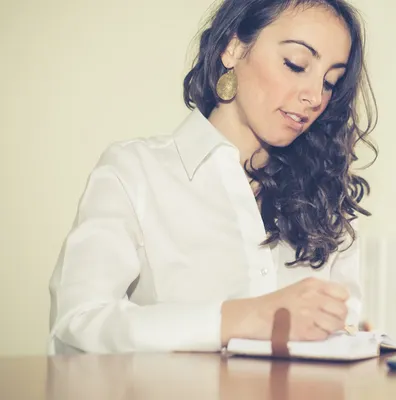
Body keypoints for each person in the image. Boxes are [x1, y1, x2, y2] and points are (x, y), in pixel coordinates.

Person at [48, 0, 377, 354]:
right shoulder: (134, 171)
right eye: (296, 64)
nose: (314, 97)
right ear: (233, 48)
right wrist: (242, 318)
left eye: (330, 82)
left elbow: (342, 328)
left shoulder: (324, 197)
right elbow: (76, 327)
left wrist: (349, 338)